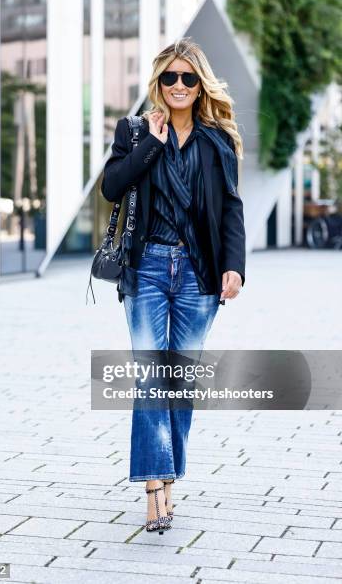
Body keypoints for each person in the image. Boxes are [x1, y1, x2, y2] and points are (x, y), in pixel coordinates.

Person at [101, 37, 246, 533]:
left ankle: (169, 477)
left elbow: (231, 208)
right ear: (158, 82)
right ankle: (154, 485)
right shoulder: (135, 130)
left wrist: (235, 266)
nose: (179, 85)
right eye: (170, 77)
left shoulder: (217, 140)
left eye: (188, 77)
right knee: (148, 375)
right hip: (147, 268)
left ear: (200, 83)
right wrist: (151, 146)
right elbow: (111, 186)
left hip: (198, 274)